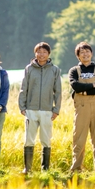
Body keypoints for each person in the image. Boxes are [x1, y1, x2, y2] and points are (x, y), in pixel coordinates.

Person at [18, 42, 62, 173]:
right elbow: (23, 88)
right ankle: (28, 168)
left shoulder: (55, 70)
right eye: (39, 51)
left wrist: (56, 109)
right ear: (35, 53)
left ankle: (45, 169)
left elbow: (58, 91)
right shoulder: (29, 69)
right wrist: (22, 106)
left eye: (44, 52)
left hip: (47, 110)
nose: (41, 54)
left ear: (49, 54)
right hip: (31, 109)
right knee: (29, 139)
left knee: (46, 139)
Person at [68, 42, 95, 173]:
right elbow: (75, 86)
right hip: (81, 107)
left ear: (91, 53)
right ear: (78, 56)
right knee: (78, 138)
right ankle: (76, 168)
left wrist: (84, 91)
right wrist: (92, 86)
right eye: (82, 52)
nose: (85, 54)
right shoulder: (74, 71)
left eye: (87, 51)